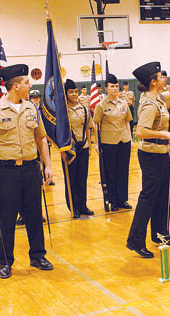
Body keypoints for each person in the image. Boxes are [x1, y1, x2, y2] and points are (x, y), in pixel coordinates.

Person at [0, 64, 54, 279]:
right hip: (6, 172)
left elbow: (41, 139)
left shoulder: (32, 108)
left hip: (31, 169)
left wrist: (48, 165)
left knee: (33, 214)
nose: (29, 85)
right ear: (15, 86)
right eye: (26, 83)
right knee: (7, 217)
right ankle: (5, 261)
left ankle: (38, 255)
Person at [127, 58, 170, 258]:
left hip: (161, 154)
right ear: (153, 81)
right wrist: (165, 135)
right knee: (148, 198)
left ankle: (161, 235)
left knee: (164, 196)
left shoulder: (157, 97)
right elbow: (140, 131)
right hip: (151, 155)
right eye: (161, 77)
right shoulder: (149, 104)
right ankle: (135, 240)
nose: (163, 79)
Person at [93, 74, 133, 212]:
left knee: (123, 170)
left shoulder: (123, 103)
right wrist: (97, 144)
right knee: (111, 172)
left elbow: (128, 121)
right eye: (112, 86)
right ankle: (113, 200)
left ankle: (123, 199)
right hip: (108, 142)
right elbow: (96, 124)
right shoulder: (101, 105)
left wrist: (130, 138)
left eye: (116, 86)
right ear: (106, 88)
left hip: (124, 140)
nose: (115, 89)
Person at [61, 79, 94, 218]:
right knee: (71, 179)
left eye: (75, 91)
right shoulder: (62, 111)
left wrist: (90, 145)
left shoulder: (84, 109)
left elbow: (88, 127)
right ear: (65, 93)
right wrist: (63, 149)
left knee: (82, 178)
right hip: (70, 149)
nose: (74, 94)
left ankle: (83, 205)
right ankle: (73, 207)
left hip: (83, 147)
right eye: (71, 92)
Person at [16, 90, 49, 226]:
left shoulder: (39, 111)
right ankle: (22, 214)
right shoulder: (24, 111)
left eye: (37, 97)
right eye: (33, 97)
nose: (36, 100)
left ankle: (37, 213)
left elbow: (42, 135)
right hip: (22, 154)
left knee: (37, 186)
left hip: (37, 152)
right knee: (19, 189)